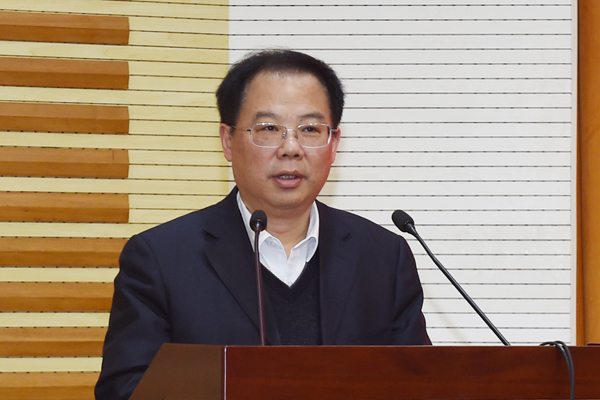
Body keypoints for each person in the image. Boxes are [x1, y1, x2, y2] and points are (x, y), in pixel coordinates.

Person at [95, 49, 431, 400]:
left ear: (334, 144)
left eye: (310, 129)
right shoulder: (161, 259)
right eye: (269, 128)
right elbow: (125, 391)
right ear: (227, 141)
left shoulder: (382, 257)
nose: (291, 148)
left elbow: (421, 385)